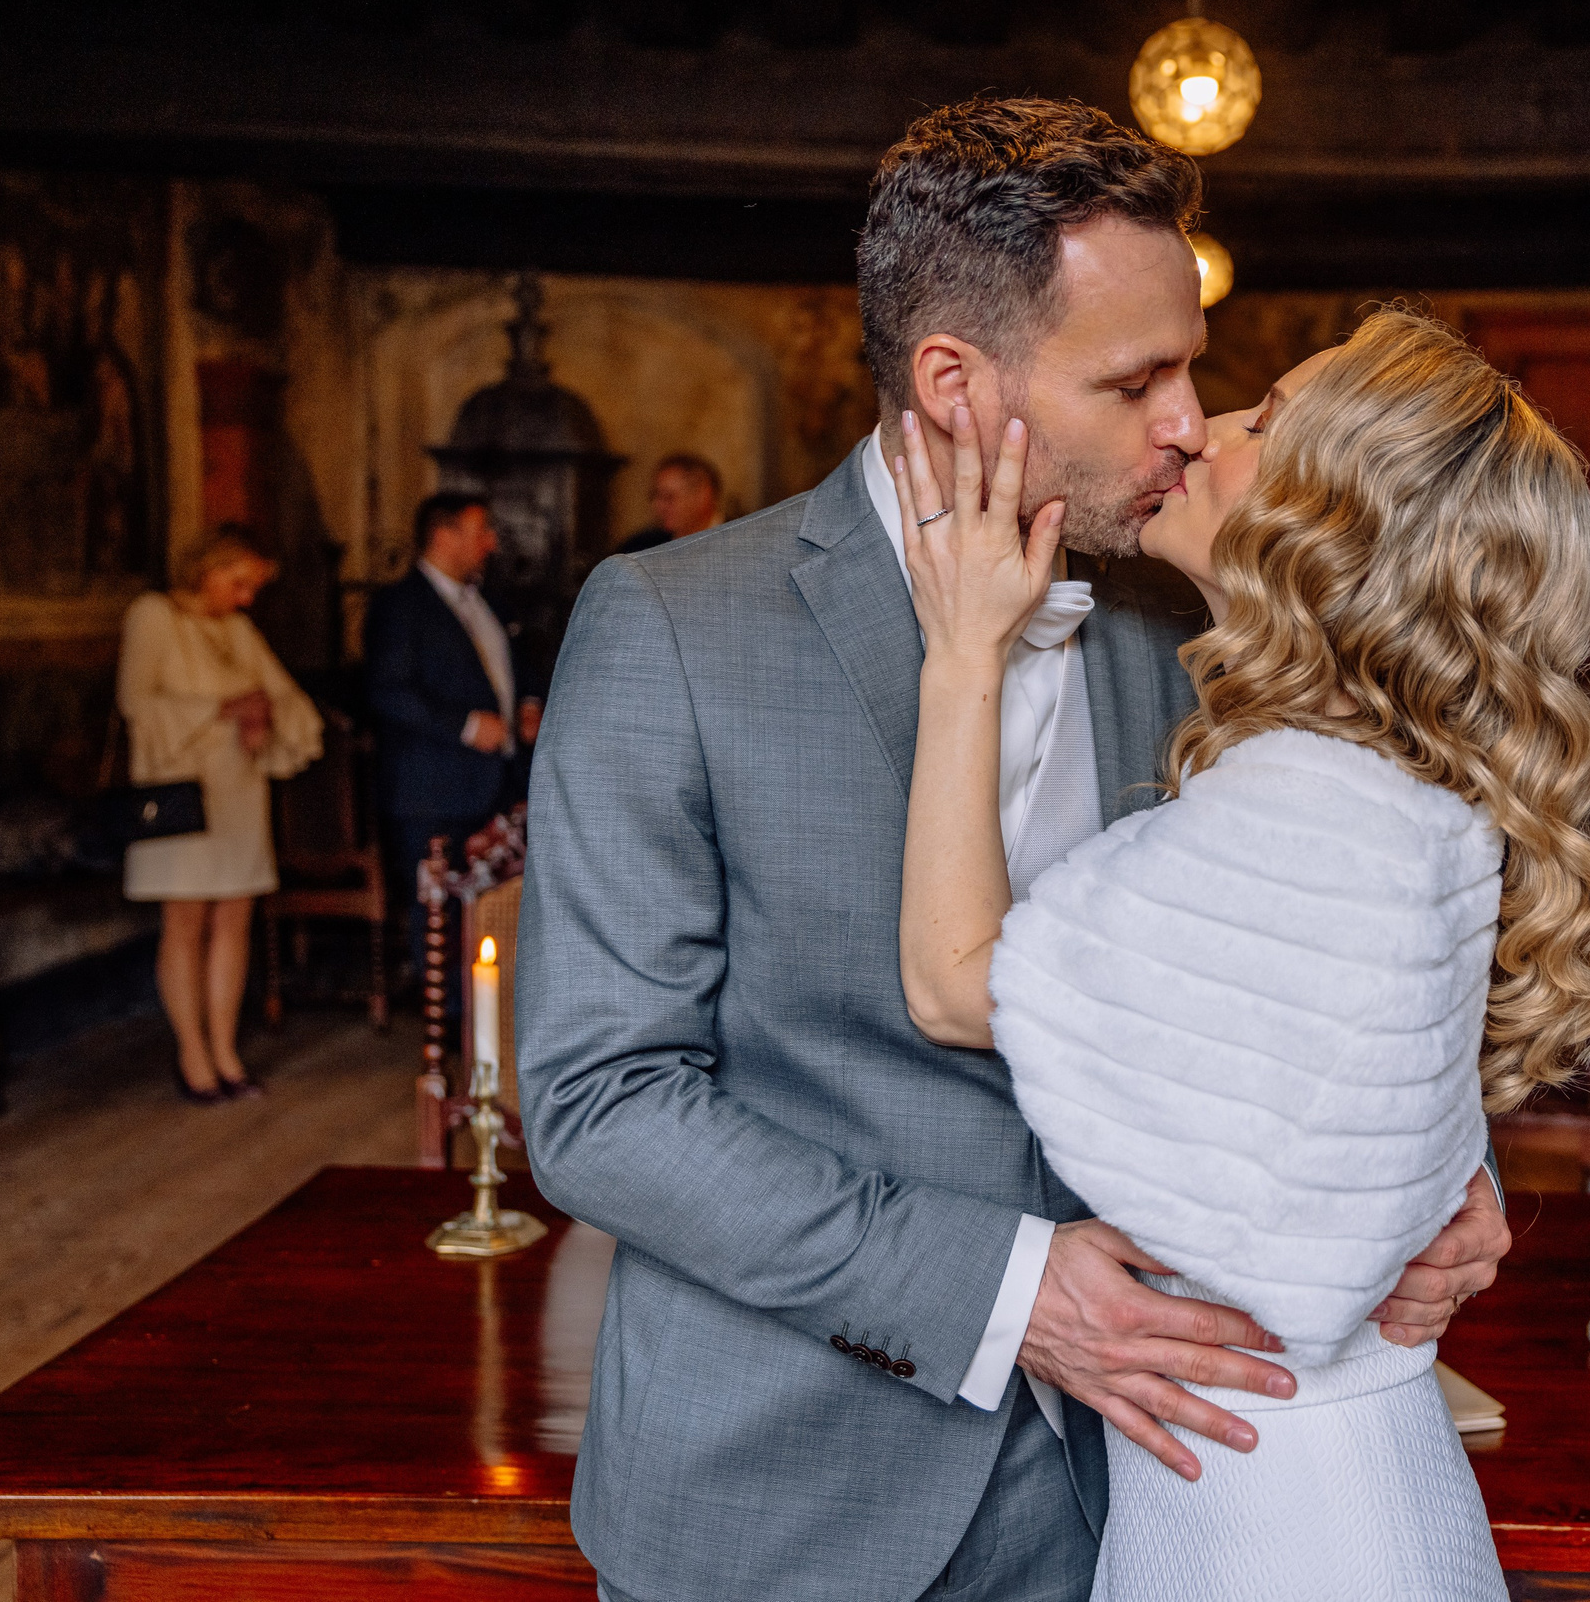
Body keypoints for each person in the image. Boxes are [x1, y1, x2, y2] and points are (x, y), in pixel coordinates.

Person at [516, 98, 1512, 1602]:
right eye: (1138, 378)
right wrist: (1001, 1290)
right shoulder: (672, 630)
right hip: (785, 1503)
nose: (1188, 420)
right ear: (955, 384)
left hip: (1152, 1490)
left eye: (1193, 367)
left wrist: (1443, 1169)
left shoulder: (1194, 619)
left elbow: (1318, 929)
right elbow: (601, 1104)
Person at [891, 309, 1590, 1598]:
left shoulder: (1304, 796)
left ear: (1338, 516)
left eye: (1263, 418)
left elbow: (958, 982)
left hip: (1271, 1510)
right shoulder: (1406, 788)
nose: (1200, 426)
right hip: (1315, 1465)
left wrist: (962, 653)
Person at [117, 526, 323, 1100]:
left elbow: (287, 699)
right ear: (208, 568)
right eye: (239, 583)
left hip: (239, 795)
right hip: (182, 795)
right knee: (185, 922)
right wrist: (224, 707)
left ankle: (228, 1052)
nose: (246, 597)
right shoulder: (154, 616)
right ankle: (193, 1054)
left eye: (253, 587)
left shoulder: (237, 629)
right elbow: (137, 702)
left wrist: (267, 718)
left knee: (235, 918)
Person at [365, 493, 542, 971]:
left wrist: (527, 703)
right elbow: (387, 691)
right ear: (443, 535)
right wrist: (465, 726)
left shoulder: (491, 602)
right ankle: (450, 1030)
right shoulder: (398, 606)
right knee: (439, 914)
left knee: (503, 906)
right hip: (434, 789)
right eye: (480, 530)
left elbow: (520, 667)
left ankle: (498, 1021)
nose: (491, 543)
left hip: (500, 782)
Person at [614, 452, 727, 553]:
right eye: (655, 496)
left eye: (668, 497)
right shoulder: (640, 547)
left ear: (703, 497)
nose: (658, 506)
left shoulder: (738, 542)